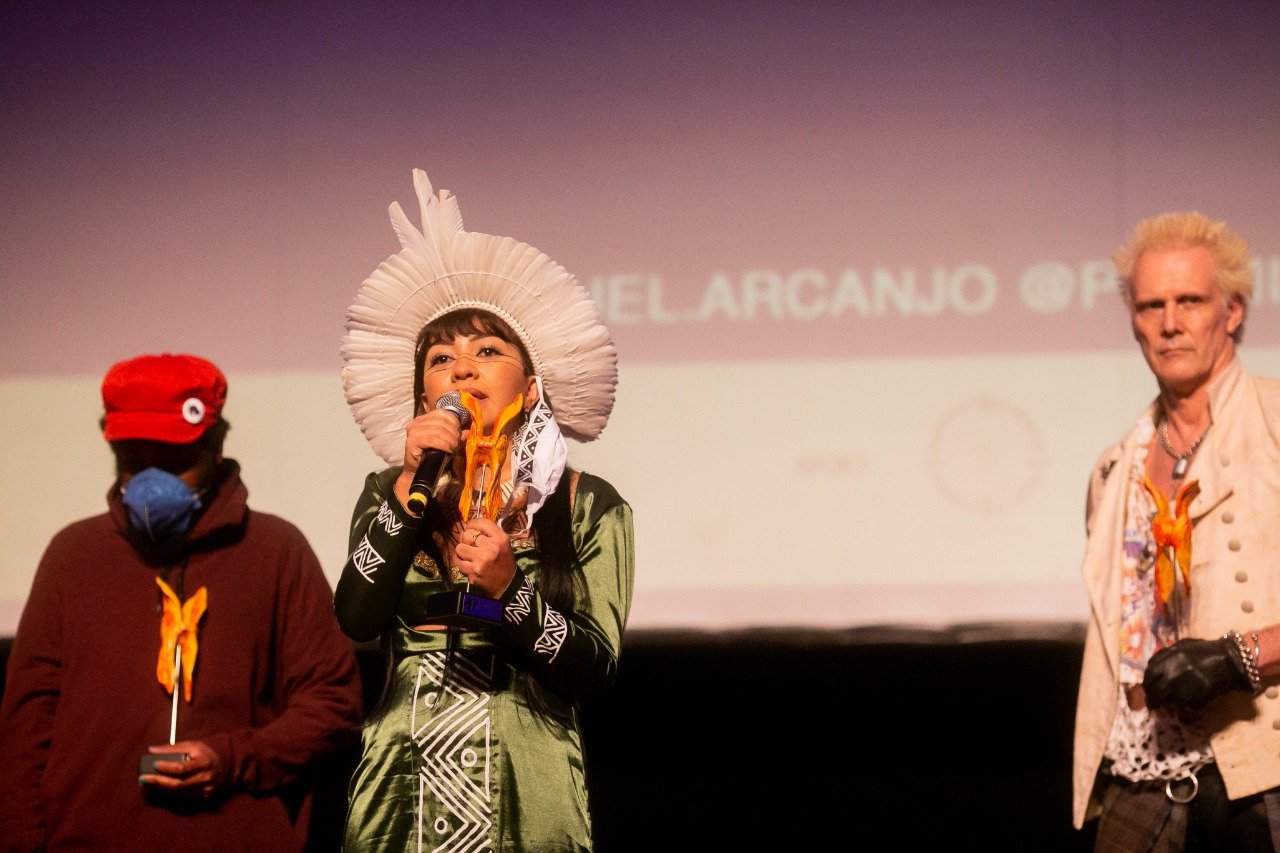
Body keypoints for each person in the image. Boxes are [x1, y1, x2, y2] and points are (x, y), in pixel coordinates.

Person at [335, 169, 634, 851]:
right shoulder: (392, 491)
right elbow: (355, 614)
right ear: (422, 392)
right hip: (400, 787)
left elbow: (594, 668)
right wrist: (410, 486)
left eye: (487, 351)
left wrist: (510, 592)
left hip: (525, 791)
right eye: (441, 358)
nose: (462, 369)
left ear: (530, 388)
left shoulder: (588, 505)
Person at [0, 353, 364, 851]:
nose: (153, 480)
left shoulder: (277, 551)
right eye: (134, 458)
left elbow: (333, 705)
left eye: (174, 460)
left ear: (215, 444)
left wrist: (233, 758)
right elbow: (26, 731)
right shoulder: (73, 555)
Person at [1073, 212, 1280, 849]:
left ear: (1233, 310)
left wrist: (1236, 659)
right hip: (1139, 777)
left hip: (1262, 769)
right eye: (1150, 306)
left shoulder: (1275, 426)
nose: (1169, 323)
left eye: (1190, 300)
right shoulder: (1116, 467)